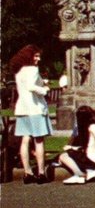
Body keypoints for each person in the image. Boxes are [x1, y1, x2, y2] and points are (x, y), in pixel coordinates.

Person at [11, 45, 53, 185]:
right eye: (35, 56)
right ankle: (41, 173)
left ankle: (27, 172)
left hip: (22, 109)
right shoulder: (33, 69)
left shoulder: (19, 71)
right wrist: (44, 91)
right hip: (35, 109)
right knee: (39, 141)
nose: (38, 59)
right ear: (28, 56)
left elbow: (30, 84)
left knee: (25, 140)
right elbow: (31, 86)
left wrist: (43, 83)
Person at [58, 106, 95, 185]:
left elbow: (90, 148)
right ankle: (89, 170)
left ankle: (80, 174)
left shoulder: (92, 127)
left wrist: (73, 149)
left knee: (63, 156)